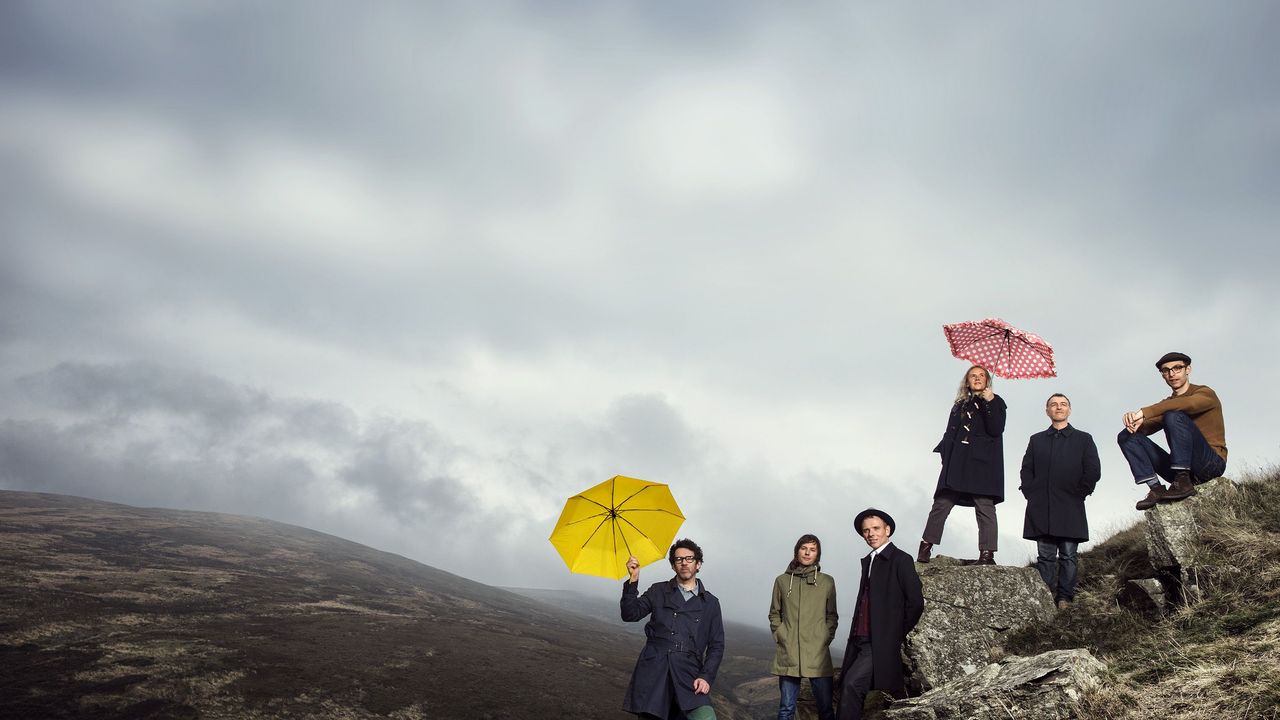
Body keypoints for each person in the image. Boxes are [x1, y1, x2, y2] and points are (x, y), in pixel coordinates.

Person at [621, 539, 725, 720]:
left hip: (689, 674)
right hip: (655, 670)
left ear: (698, 564)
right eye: (678, 559)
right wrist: (633, 579)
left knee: (706, 717)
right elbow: (630, 614)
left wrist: (706, 676)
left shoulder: (711, 603)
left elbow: (716, 645)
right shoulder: (658, 590)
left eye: (689, 558)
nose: (684, 563)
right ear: (673, 566)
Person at [837, 509, 924, 720]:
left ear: (888, 530)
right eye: (866, 531)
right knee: (843, 687)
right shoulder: (869, 560)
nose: (871, 534)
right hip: (858, 639)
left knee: (851, 686)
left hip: (877, 642)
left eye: (876, 528)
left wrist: (892, 635)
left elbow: (916, 603)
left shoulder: (901, 559)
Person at [918, 365, 1007, 565]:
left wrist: (989, 401)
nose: (977, 378)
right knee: (941, 503)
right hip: (956, 462)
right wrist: (945, 455)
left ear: (987, 380)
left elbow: (996, 429)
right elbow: (950, 432)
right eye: (973, 376)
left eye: (981, 375)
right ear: (967, 381)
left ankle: (987, 554)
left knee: (985, 506)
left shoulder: (996, 402)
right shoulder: (959, 405)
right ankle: (925, 547)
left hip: (982, 464)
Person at [1019, 393, 1102, 610]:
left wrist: (1081, 491)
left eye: (1063, 404)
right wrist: (1030, 491)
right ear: (1047, 411)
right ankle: (1046, 599)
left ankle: (1065, 598)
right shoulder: (1036, 439)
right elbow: (1026, 468)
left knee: (1068, 555)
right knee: (1045, 556)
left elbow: (1093, 469)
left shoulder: (1084, 439)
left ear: (1069, 410)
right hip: (1041, 505)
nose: (1058, 408)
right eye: (1053, 405)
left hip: (1070, 504)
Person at [1118, 351, 1228, 511]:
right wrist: (1136, 422)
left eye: (1177, 368)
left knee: (1173, 414)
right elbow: (1149, 424)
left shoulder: (1205, 393)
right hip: (1177, 472)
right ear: (1162, 375)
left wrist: (1144, 412)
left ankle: (1183, 480)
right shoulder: (1168, 404)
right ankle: (1156, 488)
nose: (1172, 374)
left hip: (1210, 464)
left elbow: (1188, 404)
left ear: (1187, 370)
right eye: (1166, 370)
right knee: (1127, 436)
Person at [769, 534, 839, 720]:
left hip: (818, 655)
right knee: (786, 709)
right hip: (789, 652)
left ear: (818, 554)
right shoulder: (782, 581)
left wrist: (824, 637)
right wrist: (781, 635)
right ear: (797, 551)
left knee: (825, 708)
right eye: (804, 548)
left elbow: (831, 615)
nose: (807, 553)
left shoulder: (827, 581)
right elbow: (775, 613)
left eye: (812, 549)